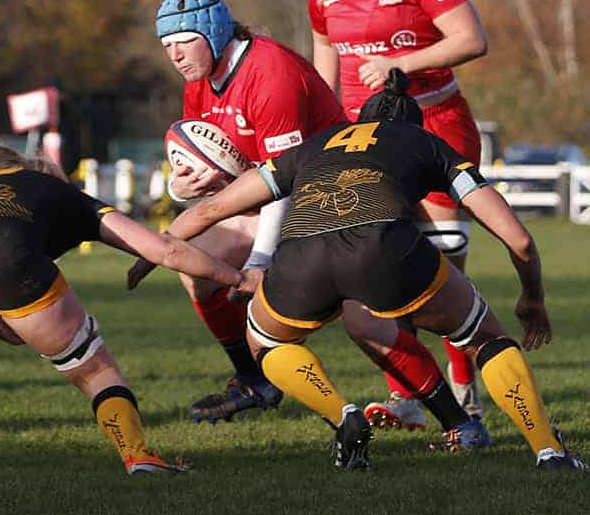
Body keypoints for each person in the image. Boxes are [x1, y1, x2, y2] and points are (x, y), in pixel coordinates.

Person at [151, 73, 587, 472]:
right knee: (483, 338)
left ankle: (343, 413)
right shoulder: (427, 144)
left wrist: (153, 249)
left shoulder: (315, 145)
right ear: (414, 126)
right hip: (385, 251)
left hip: (303, 256)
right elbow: (520, 240)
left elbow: (212, 207)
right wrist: (533, 298)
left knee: (266, 341)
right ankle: (550, 452)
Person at [135, 0, 491, 445]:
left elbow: (281, 179)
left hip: (336, 202)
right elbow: (224, 171)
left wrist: (260, 261)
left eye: (183, 41)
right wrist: (180, 187)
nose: (175, 55)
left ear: (212, 30)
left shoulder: (271, 72)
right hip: (285, 200)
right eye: (167, 46)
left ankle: (459, 420)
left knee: (366, 324)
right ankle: (254, 379)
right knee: (197, 264)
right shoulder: (199, 85)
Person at [0, 116, 245, 474]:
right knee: (93, 368)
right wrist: (234, 276)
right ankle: (138, 455)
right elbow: (166, 251)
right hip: (2, 257)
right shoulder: (65, 195)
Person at [308, 0, 489, 427]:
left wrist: (401, 66)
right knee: (378, 267)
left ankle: (464, 386)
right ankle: (407, 396)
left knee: (444, 259)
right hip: (369, 142)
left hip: (435, 124)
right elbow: (325, 69)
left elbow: (471, 37)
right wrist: (324, 132)